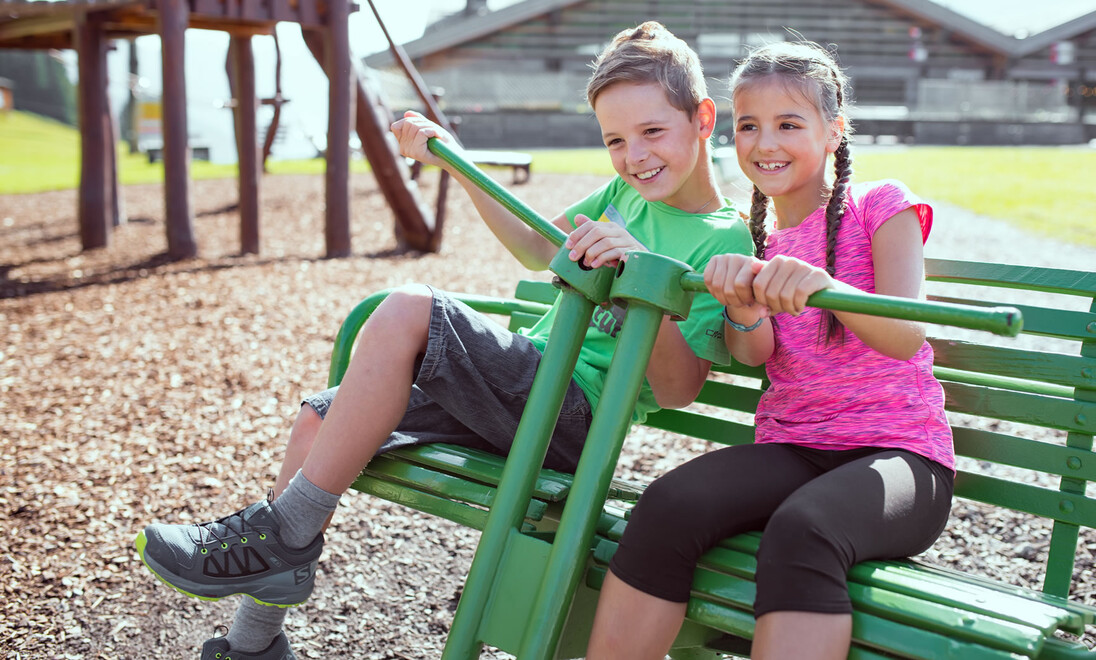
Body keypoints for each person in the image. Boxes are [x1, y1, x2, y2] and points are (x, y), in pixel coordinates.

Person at [135, 21, 754, 660]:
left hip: (574, 416)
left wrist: (642, 280)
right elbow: (540, 245)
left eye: (653, 132)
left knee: (409, 309)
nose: (636, 155)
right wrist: (455, 163)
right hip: (526, 392)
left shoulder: (723, 240)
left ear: (704, 120)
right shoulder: (625, 193)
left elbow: (677, 390)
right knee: (319, 420)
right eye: (616, 140)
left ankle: (280, 536)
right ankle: (253, 644)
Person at [585, 40, 955, 660]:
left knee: (803, 530)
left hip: (901, 460)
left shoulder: (879, 206)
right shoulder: (757, 239)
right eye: (748, 126)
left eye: (789, 124)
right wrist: (743, 307)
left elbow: (906, 334)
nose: (766, 143)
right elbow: (753, 354)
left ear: (834, 130)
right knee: (668, 504)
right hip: (794, 448)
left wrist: (830, 289)